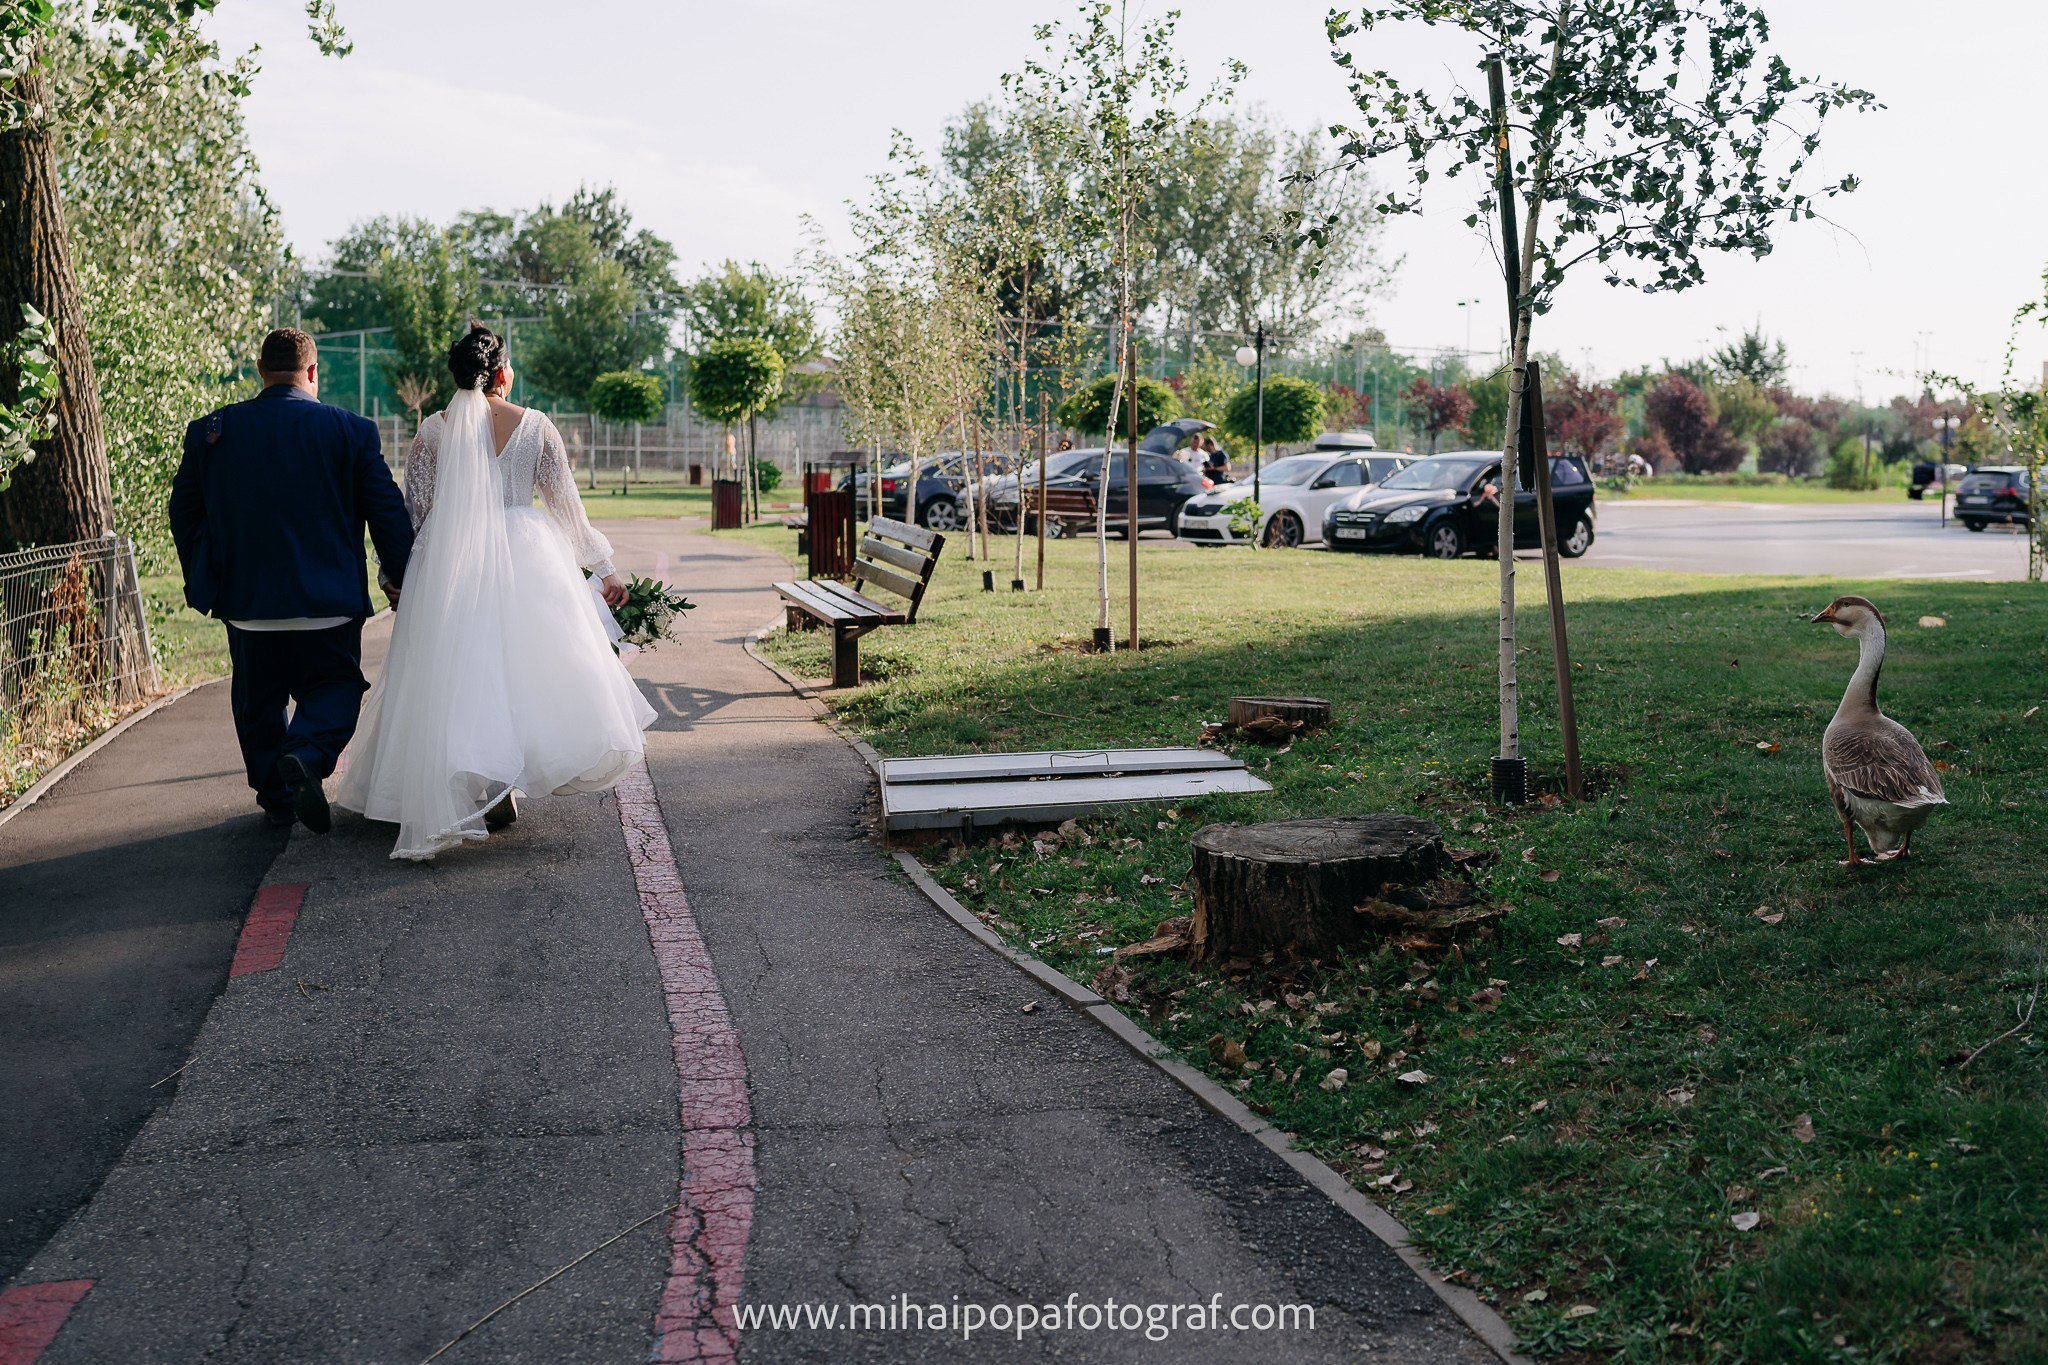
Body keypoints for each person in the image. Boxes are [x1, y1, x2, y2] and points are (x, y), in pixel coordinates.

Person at [335, 323, 656, 861]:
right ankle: (504, 783)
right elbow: (566, 508)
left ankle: (468, 785)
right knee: (518, 672)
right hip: (525, 556)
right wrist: (605, 569)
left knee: (452, 673)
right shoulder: (536, 426)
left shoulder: (432, 431)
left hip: (449, 559)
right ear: (502, 373)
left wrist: (397, 576)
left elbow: (412, 514)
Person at [170, 328, 415, 831]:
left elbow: (184, 514)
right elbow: (386, 511)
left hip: (247, 603)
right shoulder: (352, 431)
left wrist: (206, 577)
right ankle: (305, 752)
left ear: (260, 369)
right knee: (338, 688)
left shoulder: (211, 431)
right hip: (329, 603)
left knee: (257, 703)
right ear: (313, 372)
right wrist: (402, 577)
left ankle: (276, 795)